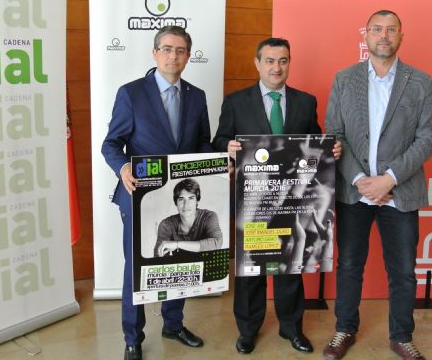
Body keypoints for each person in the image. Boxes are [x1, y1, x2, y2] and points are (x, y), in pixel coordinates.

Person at [213, 37, 341, 355]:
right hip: (252, 202)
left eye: (283, 61)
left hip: (293, 201)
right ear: (257, 63)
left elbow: (314, 142)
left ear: (289, 63)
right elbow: (219, 139)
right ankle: (247, 331)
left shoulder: (305, 102)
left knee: (290, 266)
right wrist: (227, 147)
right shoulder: (236, 101)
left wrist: (331, 150)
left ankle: (291, 329)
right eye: (269, 61)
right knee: (250, 271)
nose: (276, 67)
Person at [322, 10, 432, 360]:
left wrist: (388, 179)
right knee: (349, 266)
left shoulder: (421, 81)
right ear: (366, 36)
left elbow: (426, 139)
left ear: (400, 35)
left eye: (390, 29)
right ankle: (344, 329)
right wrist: (361, 181)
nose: (383, 35)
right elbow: (335, 135)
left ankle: (402, 336)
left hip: (399, 193)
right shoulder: (345, 79)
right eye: (376, 29)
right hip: (354, 192)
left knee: (403, 271)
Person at [102, 25, 212, 360]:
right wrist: (123, 168)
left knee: (179, 260)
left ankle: (173, 325)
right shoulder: (131, 93)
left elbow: (202, 143)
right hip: (140, 195)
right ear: (154, 53)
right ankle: (132, 337)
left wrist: (219, 166)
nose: (172, 56)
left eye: (180, 51)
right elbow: (111, 144)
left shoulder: (197, 96)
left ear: (188, 56)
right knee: (136, 267)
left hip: (180, 197)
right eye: (166, 49)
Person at [154, 178, 223, 257]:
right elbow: (157, 255)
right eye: (181, 199)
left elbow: (216, 243)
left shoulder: (209, 216)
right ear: (176, 203)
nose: (186, 204)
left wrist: (177, 244)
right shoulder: (166, 224)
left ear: (197, 201)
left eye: (191, 198)